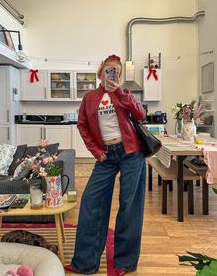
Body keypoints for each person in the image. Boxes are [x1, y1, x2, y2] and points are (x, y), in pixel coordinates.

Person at [65, 54, 146, 275]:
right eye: (109, 69)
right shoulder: (90, 97)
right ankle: (85, 262)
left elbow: (141, 114)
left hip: (131, 153)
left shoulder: (123, 94)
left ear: (119, 75)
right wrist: (95, 150)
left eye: (116, 71)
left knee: (130, 207)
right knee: (91, 202)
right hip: (106, 157)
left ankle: (125, 263)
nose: (112, 73)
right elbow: (82, 125)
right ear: (100, 73)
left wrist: (120, 91)